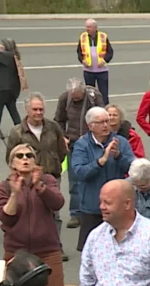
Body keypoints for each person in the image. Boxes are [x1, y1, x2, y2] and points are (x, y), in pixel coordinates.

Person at [0, 143, 70, 286]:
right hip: (17, 252)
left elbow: (57, 203)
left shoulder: (47, 180)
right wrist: (14, 194)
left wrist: (40, 187)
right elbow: (6, 218)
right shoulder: (5, 187)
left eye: (29, 156)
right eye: (19, 156)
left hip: (48, 251)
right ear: (12, 163)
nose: (25, 159)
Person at [70, 106, 135, 251]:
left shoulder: (121, 142)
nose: (106, 125)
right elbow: (80, 172)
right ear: (90, 126)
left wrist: (118, 156)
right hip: (92, 207)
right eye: (101, 122)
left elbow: (133, 169)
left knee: (119, 249)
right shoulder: (82, 145)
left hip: (117, 208)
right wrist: (100, 162)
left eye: (107, 121)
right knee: (91, 252)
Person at [54, 78, 104, 229]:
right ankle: (75, 213)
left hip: (92, 142)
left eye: (78, 97)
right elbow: (58, 120)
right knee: (74, 179)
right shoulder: (65, 98)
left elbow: (102, 117)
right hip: (74, 144)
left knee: (94, 177)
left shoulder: (94, 96)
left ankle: (95, 211)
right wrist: (63, 136)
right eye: (73, 96)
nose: (75, 99)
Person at [5, 92, 68, 182]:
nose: (38, 112)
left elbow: (62, 151)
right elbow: (10, 158)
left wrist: (54, 163)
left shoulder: (54, 127)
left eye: (41, 109)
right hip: (28, 180)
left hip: (53, 177)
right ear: (27, 110)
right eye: (35, 109)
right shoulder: (17, 132)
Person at [0, 36, 25, 130]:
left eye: (3, 45)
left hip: (4, 89)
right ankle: (20, 127)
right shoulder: (12, 56)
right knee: (12, 110)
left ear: (7, 47)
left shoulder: (7, 56)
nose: (1, 47)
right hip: (13, 90)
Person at [77, 18, 113, 103]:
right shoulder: (83, 37)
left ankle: (104, 109)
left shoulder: (103, 36)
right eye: (86, 27)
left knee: (103, 93)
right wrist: (82, 60)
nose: (87, 29)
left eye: (89, 27)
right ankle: (91, 110)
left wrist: (104, 60)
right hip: (88, 71)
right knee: (90, 94)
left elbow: (110, 52)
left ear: (95, 28)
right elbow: (79, 52)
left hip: (102, 71)